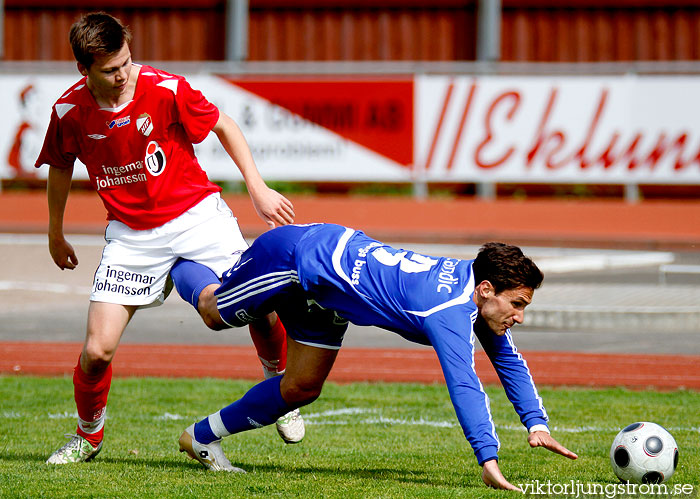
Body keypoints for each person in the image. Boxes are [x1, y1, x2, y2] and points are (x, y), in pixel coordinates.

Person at [35, 11, 304, 465]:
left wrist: (256, 188)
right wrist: (55, 232)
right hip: (132, 238)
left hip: (199, 219)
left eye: (125, 62)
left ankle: (280, 384)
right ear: (84, 70)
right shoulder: (67, 110)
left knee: (259, 305)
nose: (122, 75)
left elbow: (224, 125)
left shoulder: (165, 88)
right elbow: (61, 167)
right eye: (109, 69)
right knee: (97, 351)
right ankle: (88, 437)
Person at [171, 223, 578, 489]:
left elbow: (507, 360)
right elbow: (465, 384)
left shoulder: (473, 290)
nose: (520, 317)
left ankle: (201, 437)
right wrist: (487, 458)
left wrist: (536, 423)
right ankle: (171, 255)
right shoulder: (449, 312)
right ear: (487, 289)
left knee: (301, 386)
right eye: (519, 304)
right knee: (213, 313)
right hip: (296, 260)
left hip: (326, 294)